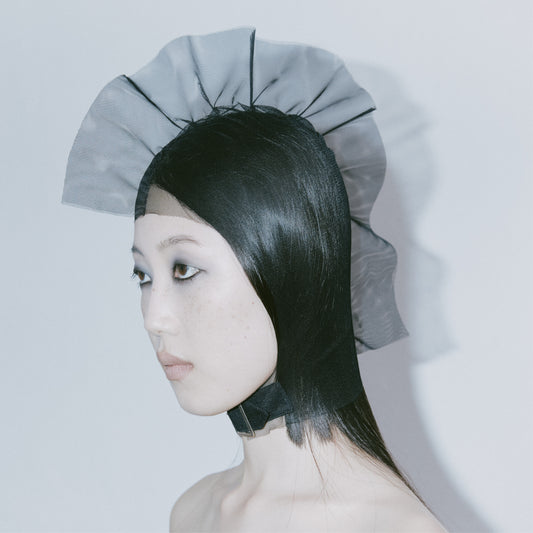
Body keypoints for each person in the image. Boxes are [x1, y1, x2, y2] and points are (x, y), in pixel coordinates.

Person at [63, 28, 447, 532]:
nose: (154, 318)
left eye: (184, 269)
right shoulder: (194, 511)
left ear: (290, 266)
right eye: (143, 275)